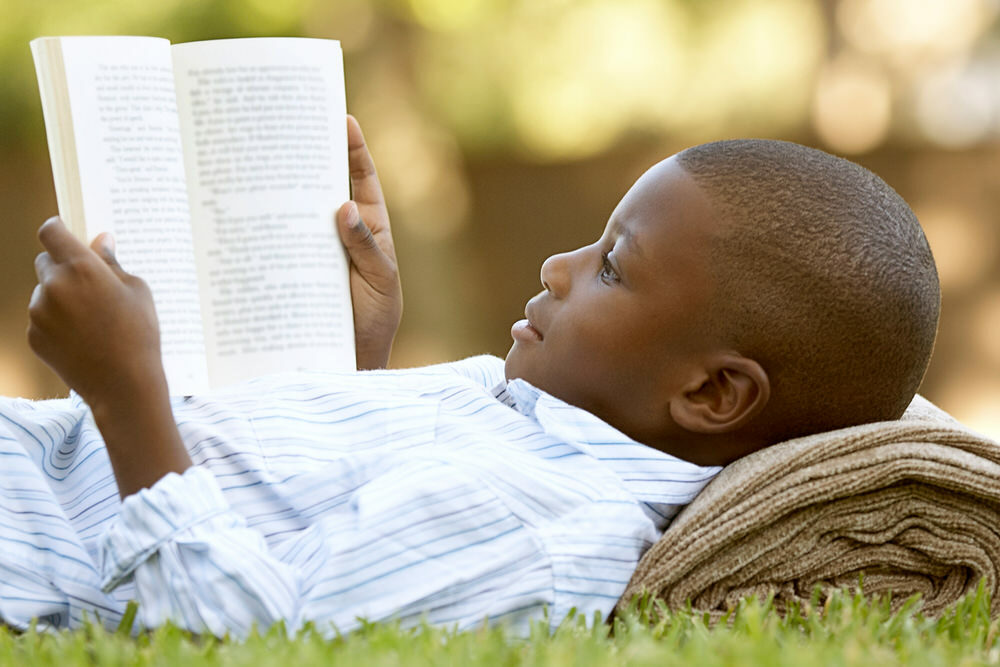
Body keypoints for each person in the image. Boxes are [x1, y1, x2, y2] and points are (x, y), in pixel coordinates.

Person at [6, 117, 939, 637]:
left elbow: (244, 632)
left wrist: (127, 391)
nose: (558, 267)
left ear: (712, 395)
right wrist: (354, 360)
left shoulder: (550, 527)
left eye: (613, 265)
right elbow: (328, 503)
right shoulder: (542, 414)